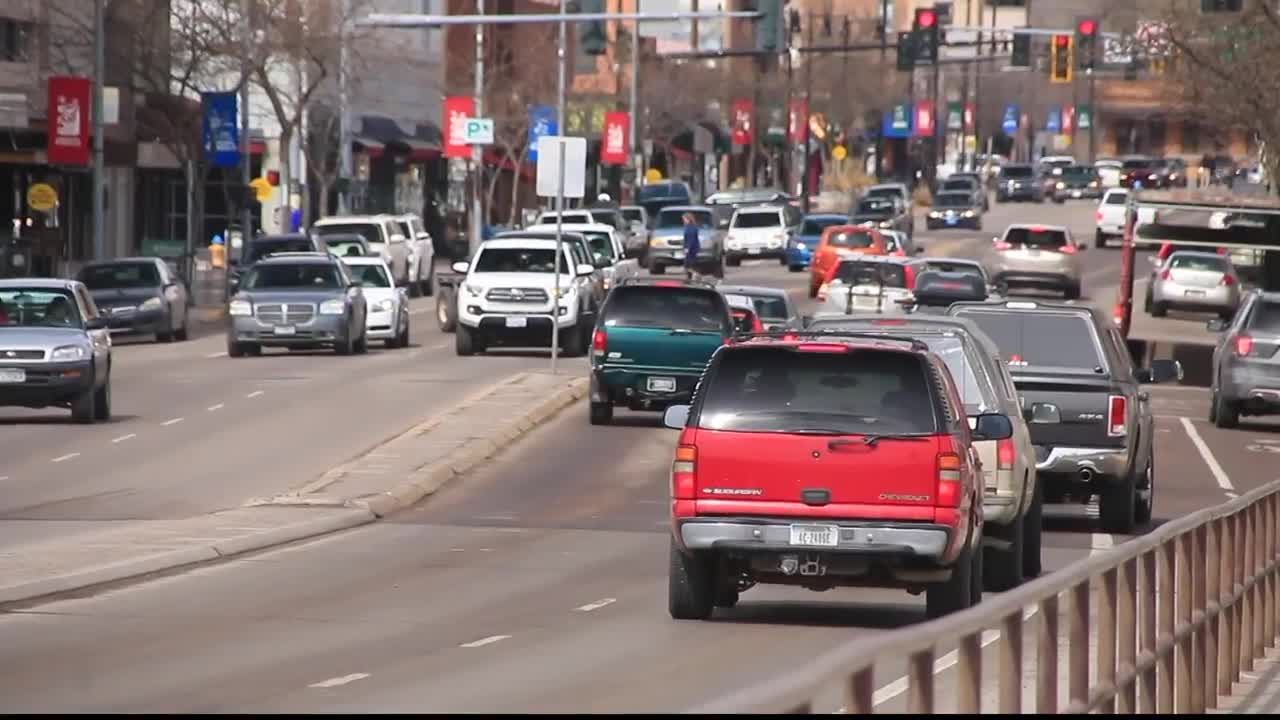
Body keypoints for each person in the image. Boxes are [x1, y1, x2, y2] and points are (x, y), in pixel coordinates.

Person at [681, 212, 701, 281]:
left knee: (688, 264)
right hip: (692, 248)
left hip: (691, 249)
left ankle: (695, 275)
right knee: (689, 264)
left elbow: (691, 239)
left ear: (688, 219)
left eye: (684, 219)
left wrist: (687, 248)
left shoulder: (691, 228)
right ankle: (690, 277)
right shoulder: (689, 227)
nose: (684, 220)